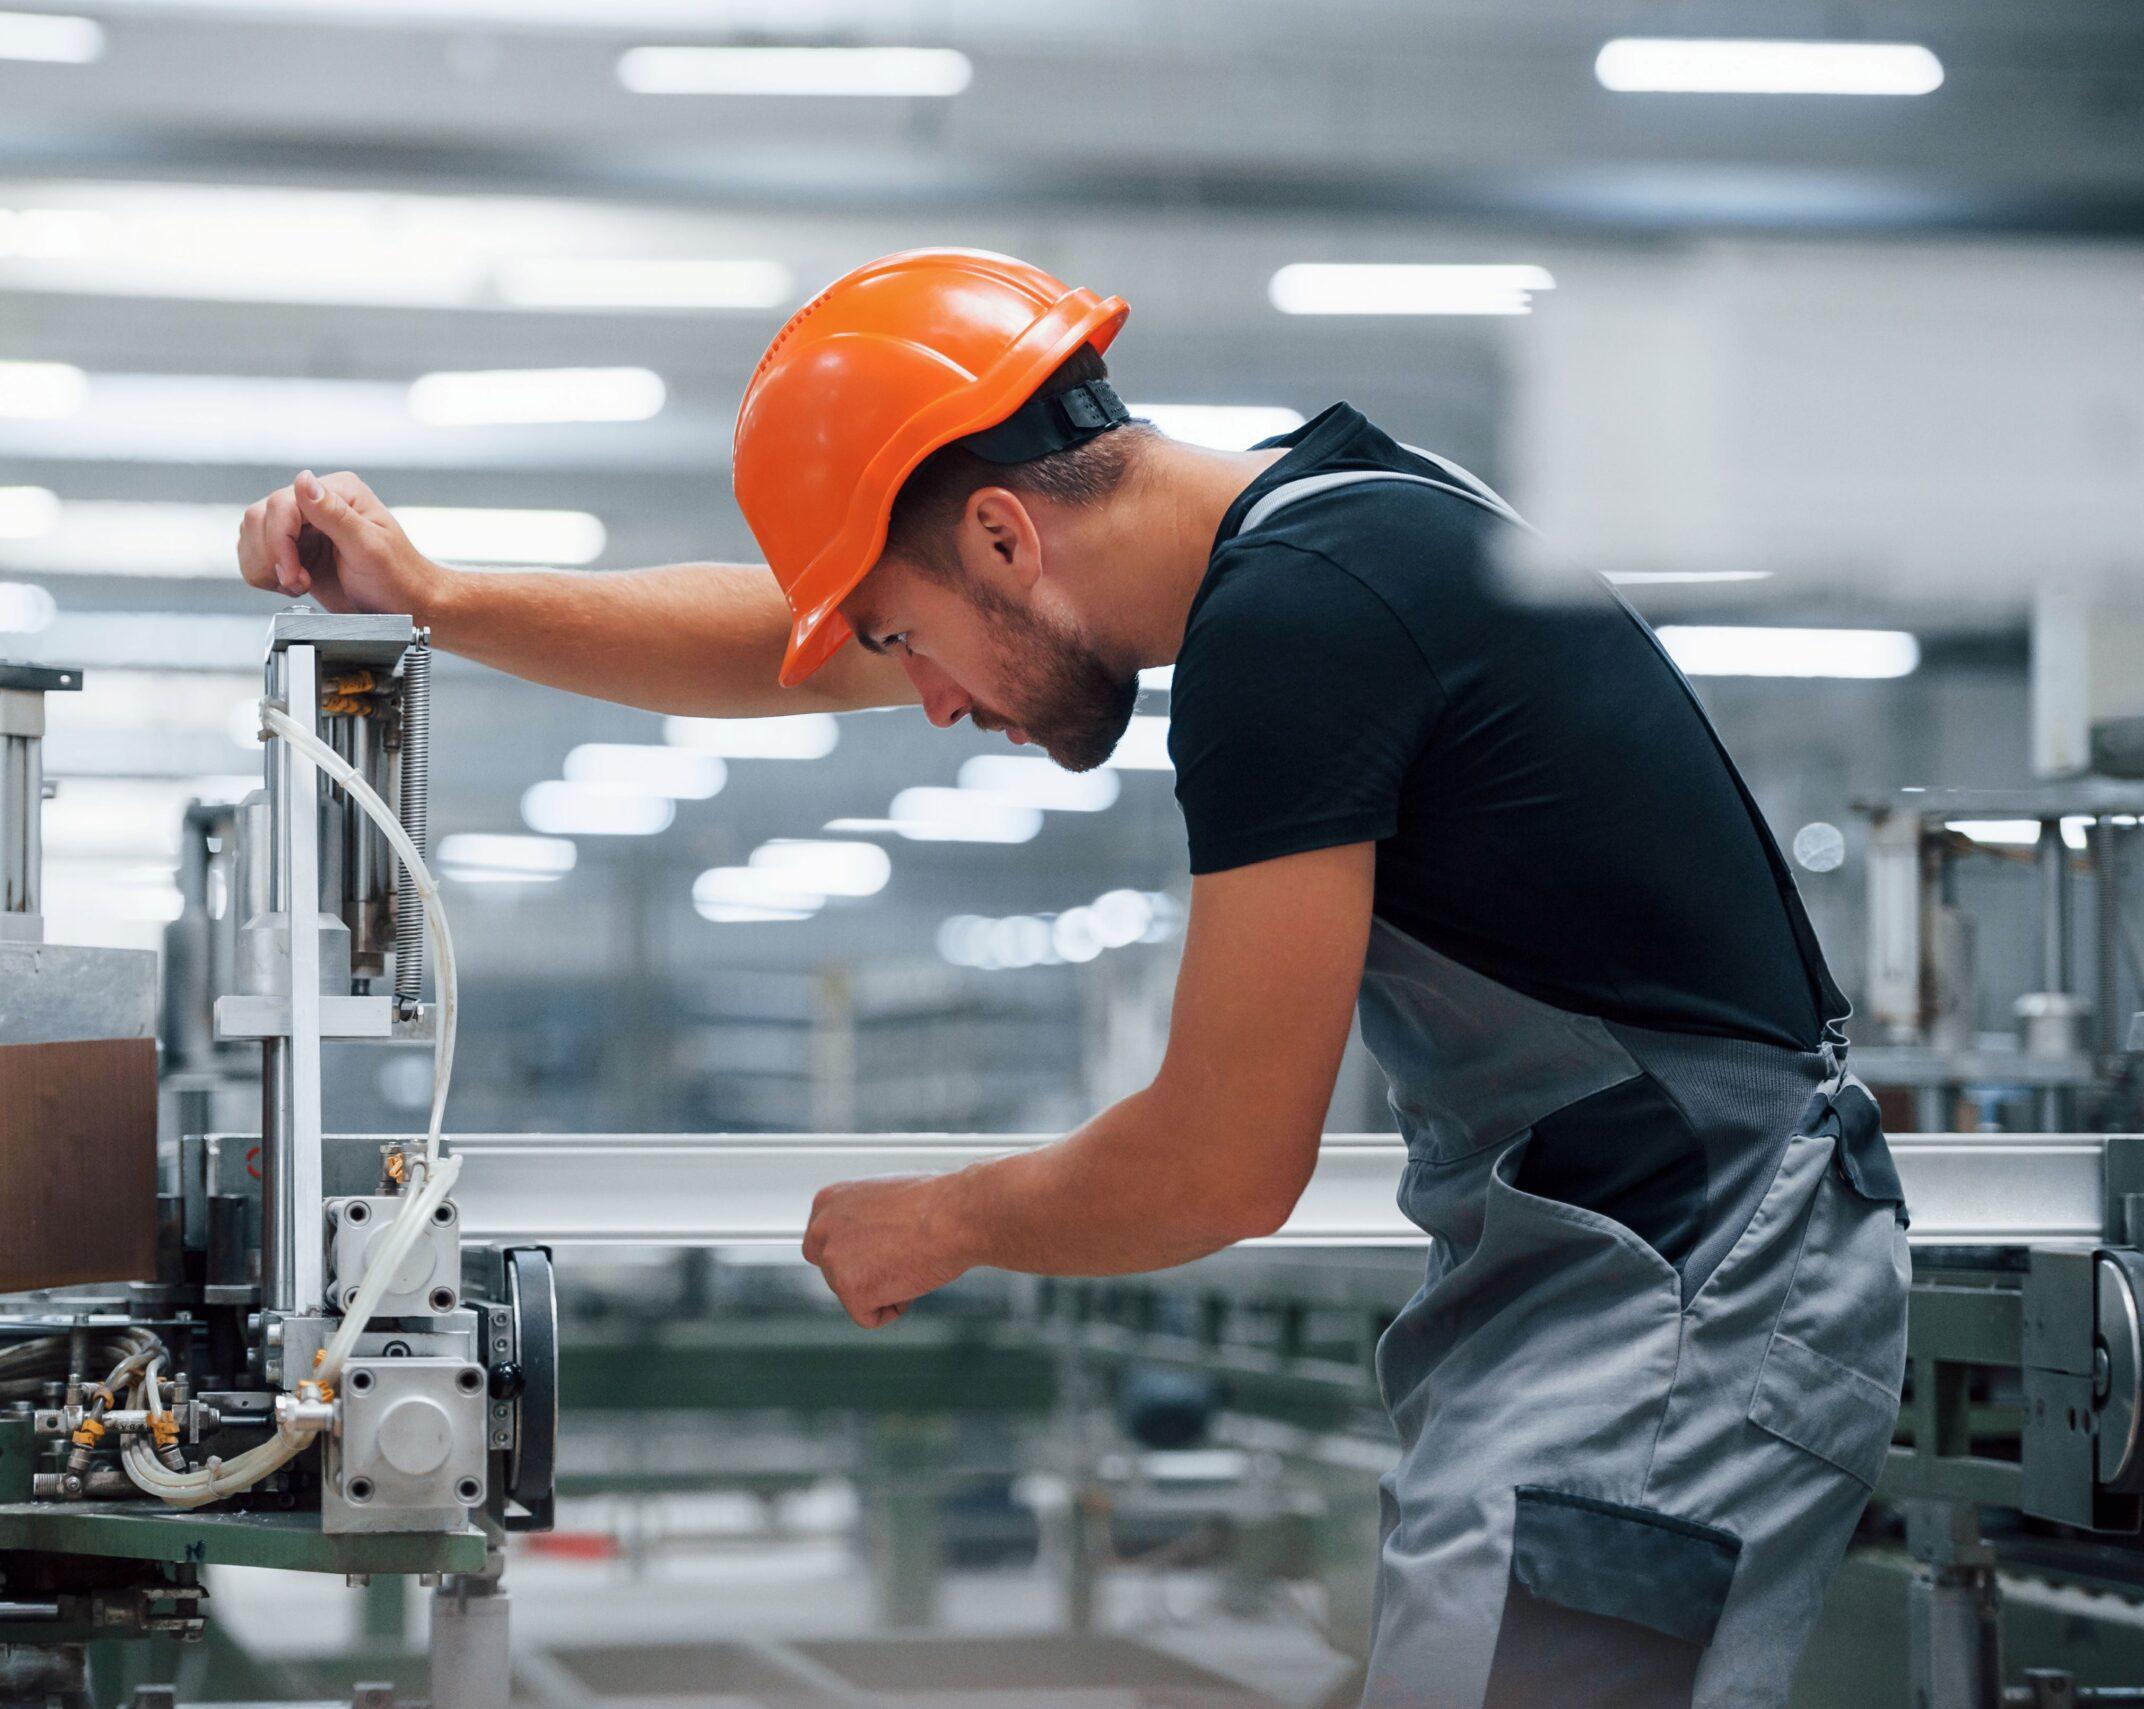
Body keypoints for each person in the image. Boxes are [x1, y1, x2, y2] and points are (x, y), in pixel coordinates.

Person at [236, 248, 1908, 1706]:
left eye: (906, 646)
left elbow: (1221, 1164)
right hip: (1615, 1276)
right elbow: (777, 641)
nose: (936, 706)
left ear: (1002, 531)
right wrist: (439, 599)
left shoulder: (1299, 633)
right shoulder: (1334, 526)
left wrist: (946, 1216)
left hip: (1692, 1294)